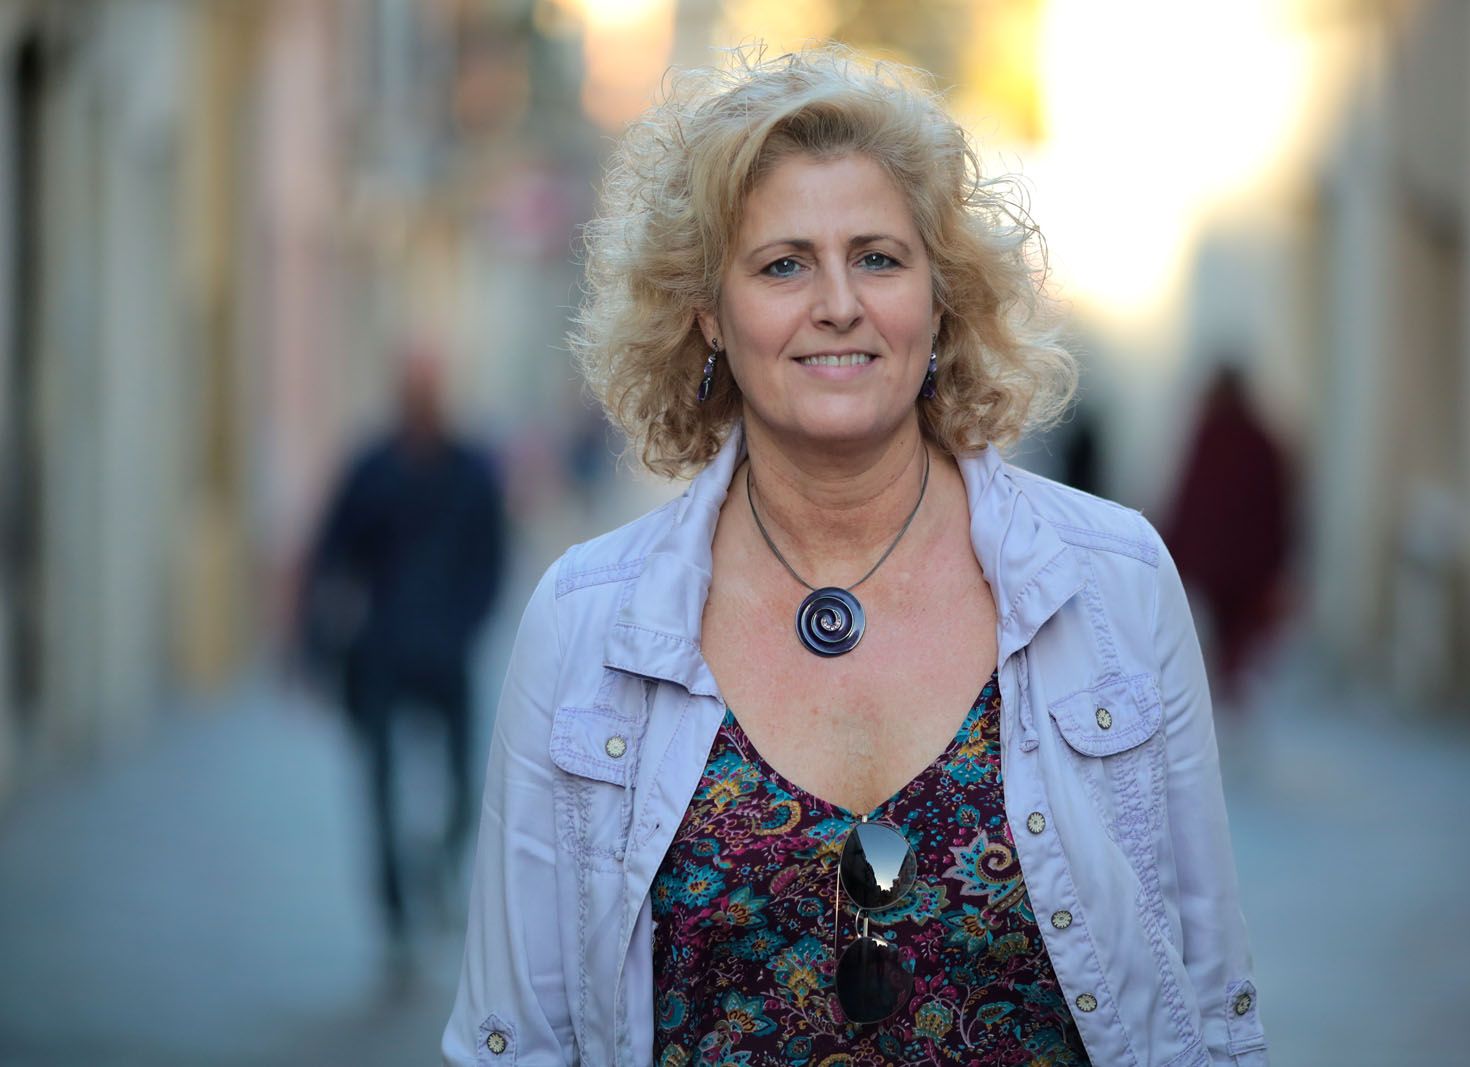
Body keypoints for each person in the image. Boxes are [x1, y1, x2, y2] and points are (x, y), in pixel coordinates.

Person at [445, 47, 1268, 1066]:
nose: (837, 302)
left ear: (939, 297)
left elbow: (1211, 1008)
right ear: (707, 310)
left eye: (877, 257)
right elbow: (516, 1038)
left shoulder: (1113, 582)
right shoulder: (583, 623)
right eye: (782, 263)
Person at [300, 350, 504, 961]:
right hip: (381, 655)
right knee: (379, 786)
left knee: (467, 787)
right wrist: (319, 642)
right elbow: (330, 554)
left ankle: (437, 866)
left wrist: (467, 623)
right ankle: (395, 912)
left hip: (447, 653)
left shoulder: (471, 470)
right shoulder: (372, 467)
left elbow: (491, 558)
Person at [1163, 363, 1292, 705]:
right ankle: (1230, 693)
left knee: (1226, 633)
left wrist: (1175, 546)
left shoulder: (1215, 438)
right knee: (1235, 636)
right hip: (1248, 561)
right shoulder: (1261, 442)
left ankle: (1226, 693)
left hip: (1218, 560)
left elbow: (1190, 497)